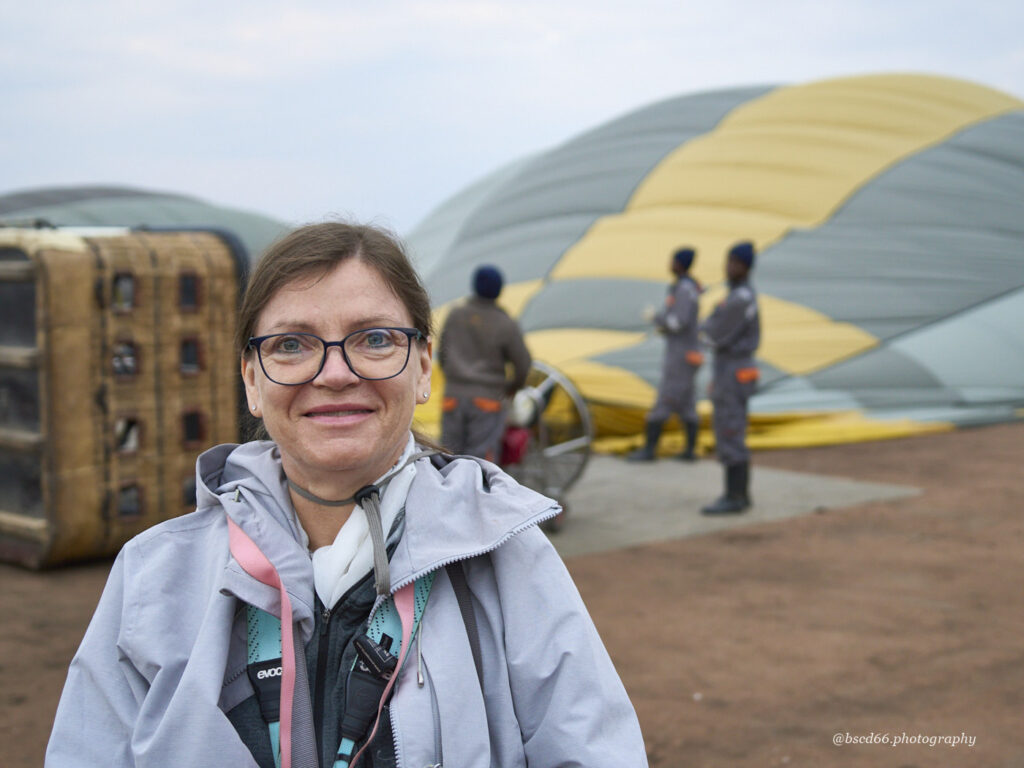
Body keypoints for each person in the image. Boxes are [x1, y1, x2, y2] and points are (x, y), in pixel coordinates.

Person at [46, 222, 647, 767]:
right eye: (291, 345)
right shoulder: (153, 576)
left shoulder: (510, 563)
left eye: (375, 339)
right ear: (251, 382)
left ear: (424, 369)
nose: (335, 373)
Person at [437, 264, 532, 461]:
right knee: (480, 461)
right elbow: (523, 363)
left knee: (448, 456)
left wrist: (454, 377)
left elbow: (442, 353)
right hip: (487, 399)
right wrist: (512, 387)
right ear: (499, 289)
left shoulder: (455, 315)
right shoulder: (505, 323)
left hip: (453, 396)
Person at [699, 240, 761, 515]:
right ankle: (738, 494)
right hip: (731, 370)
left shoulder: (738, 299)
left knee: (730, 430)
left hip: (733, 372)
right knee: (729, 428)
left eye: (733, 262)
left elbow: (713, 332)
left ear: (744, 266)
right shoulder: (738, 295)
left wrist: (703, 328)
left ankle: (735, 496)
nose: (728, 267)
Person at [627, 246, 703, 462]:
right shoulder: (685, 287)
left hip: (681, 357)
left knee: (665, 398)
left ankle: (649, 449)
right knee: (687, 403)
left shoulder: (684, 289)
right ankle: (690, 450)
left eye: (673, 260)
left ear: (679, 263)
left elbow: (677, 322)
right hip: (686, 354)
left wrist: (656, 319)